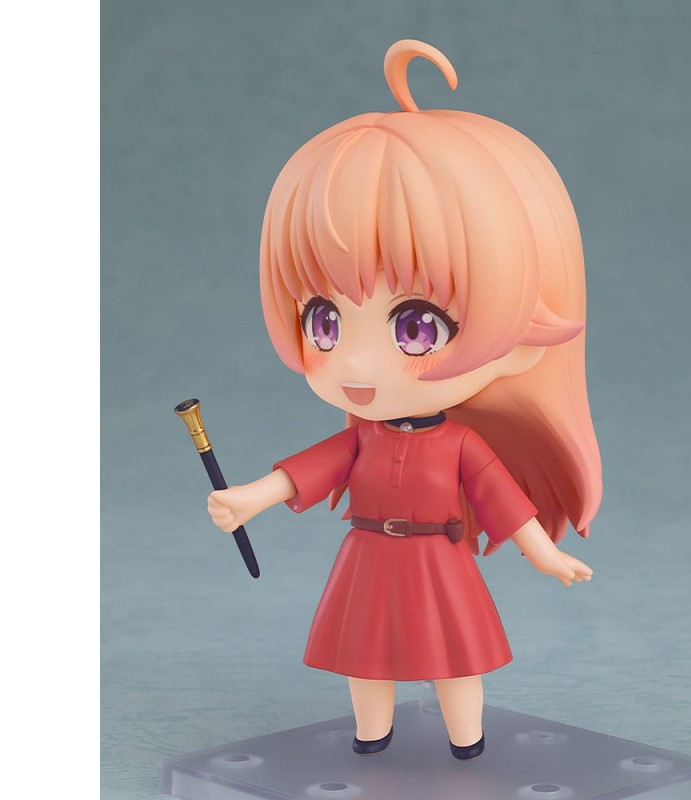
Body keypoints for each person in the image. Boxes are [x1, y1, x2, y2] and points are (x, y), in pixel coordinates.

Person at [208, 39, 602, 761]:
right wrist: (249, 499)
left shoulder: (461, 445)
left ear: (523, 338)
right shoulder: (361, 437)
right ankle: (372, 734)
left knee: (455, 657)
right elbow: (309, 470)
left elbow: (502, 500)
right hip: (367, 558)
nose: (356, 365)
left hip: (439, 561)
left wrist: (544, 553)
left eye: (416, 327)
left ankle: (466, 742)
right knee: (365, 657)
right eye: (324, 322)